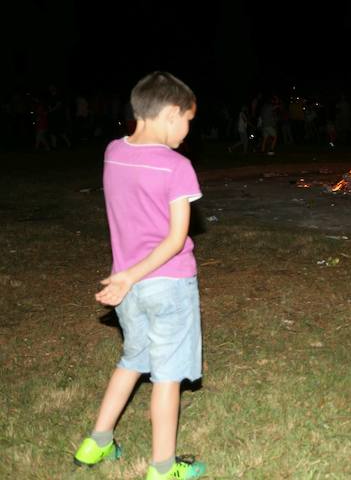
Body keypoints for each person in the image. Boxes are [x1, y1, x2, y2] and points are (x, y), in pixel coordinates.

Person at [72, 71, 207, 480]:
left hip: (126, 285)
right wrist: (133, 276)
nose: (187, 130)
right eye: (187, 120)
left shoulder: (113, 152)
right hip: (166, 283)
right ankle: (163, 468)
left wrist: (127, 277)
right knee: (167, 377)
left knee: (133, 359)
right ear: (169, 114)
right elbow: (174, 238)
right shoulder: (177, 166)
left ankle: (97, 442)